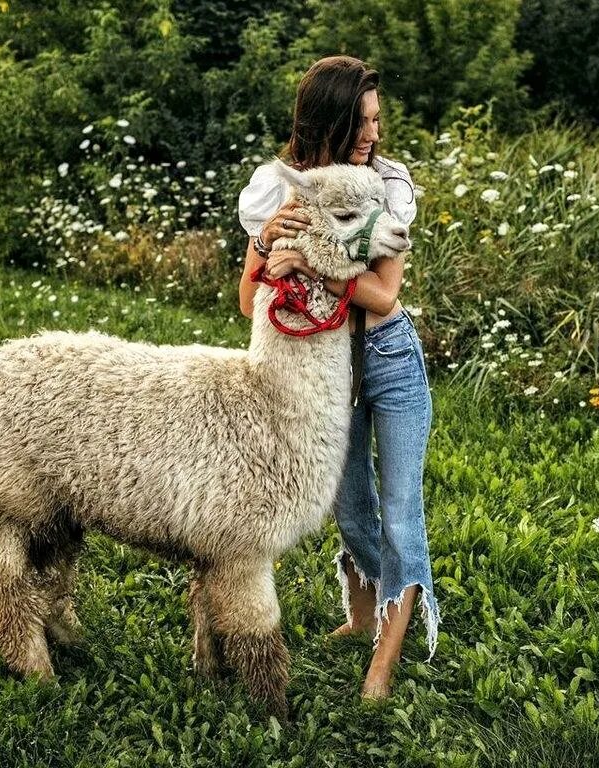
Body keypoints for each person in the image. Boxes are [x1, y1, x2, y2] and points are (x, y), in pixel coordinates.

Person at [237, 55, 439, 700]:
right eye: (362, 121)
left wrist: (319, 270)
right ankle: (360, 616)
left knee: (399, 518)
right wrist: (271, 246)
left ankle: (386, 655)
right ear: (329, 119)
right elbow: (248, 301)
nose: (373, 135)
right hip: (323, 372)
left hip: (387, 358)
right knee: (350, 512)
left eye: (377, 120)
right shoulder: (278, 191)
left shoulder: (384, 188)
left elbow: (384, 298)